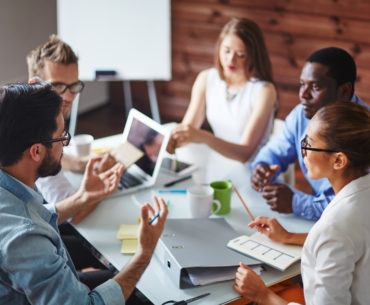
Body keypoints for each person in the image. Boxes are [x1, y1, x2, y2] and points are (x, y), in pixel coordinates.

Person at [0, 82, 168, 305]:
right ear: (37, 151)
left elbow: (32, 215)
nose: (64, 145)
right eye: (62, 137)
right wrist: (144, 254)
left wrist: (84, 197)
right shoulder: (26, 239)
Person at [234, 102, 370, 304]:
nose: (302, 151)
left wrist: (262, 295)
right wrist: (288, 236)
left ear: (338, 161)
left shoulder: (334, 227)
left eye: (308, 143)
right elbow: (350, 243)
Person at [251, 47, 369, 220]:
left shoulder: (364, 132)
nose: (303, 95)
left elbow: (354, 207)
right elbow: (275, 151)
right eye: (302, 84)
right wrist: (262, 167)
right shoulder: (301, 115)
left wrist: (297, 203)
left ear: (343, 91)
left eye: (314, 86)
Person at [168, 17, 277, 163]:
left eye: (240, 55)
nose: (231, 60)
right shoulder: (206, 78)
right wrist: (170, 140)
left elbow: (245, 154)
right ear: (219, 47)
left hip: (254, 169)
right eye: (226, 51)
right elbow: (188, 129)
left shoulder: (265, 91)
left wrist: (204, 137)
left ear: (253, 56)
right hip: (219, 160)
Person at [27, 34, 117, 206]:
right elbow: (69, 211)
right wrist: (104, 185)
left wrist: (81, 164)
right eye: (57, 86)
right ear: (34, 85)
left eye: (74, 86)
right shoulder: (38, 133)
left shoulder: (38, 112)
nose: (68, 97)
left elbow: (52, 158)